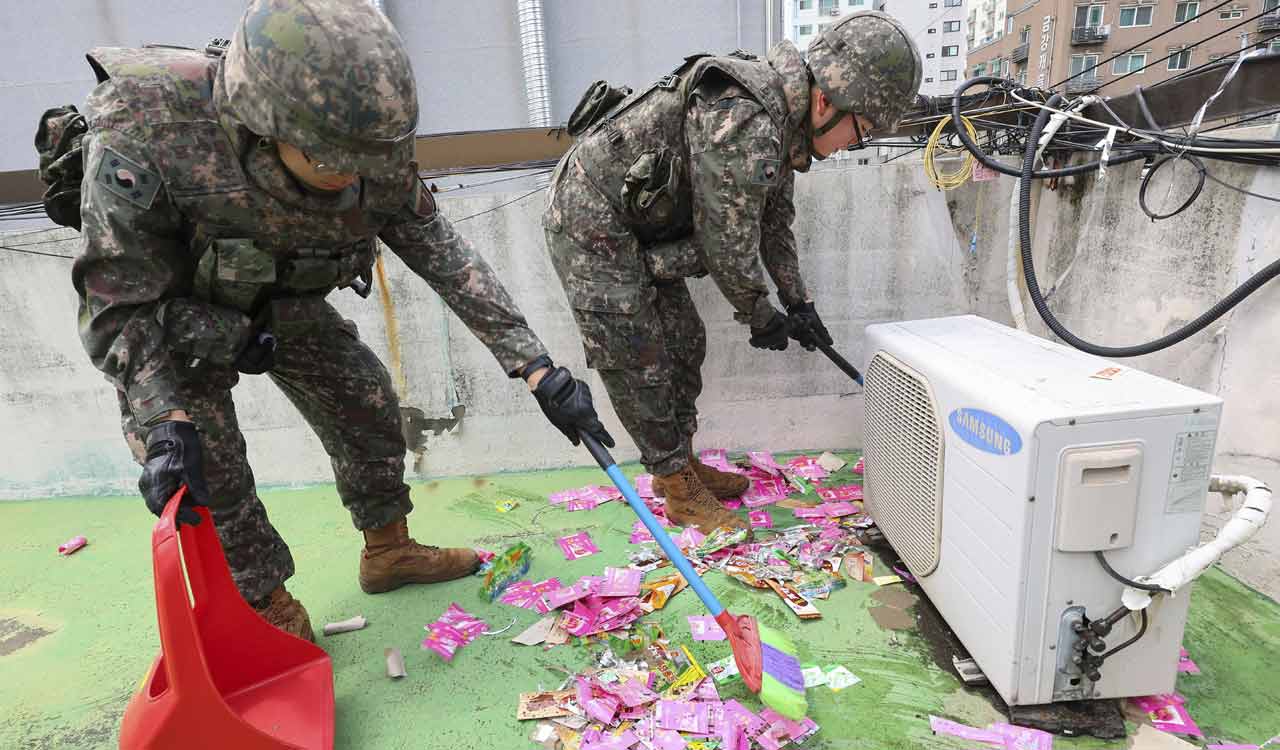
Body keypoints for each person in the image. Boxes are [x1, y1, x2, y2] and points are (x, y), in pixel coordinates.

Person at [71, 0, 612, 642]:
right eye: (331, 161)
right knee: (206, 463)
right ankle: (263, 604)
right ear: (264, 123)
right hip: (171, 318)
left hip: (280, 293)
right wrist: (163, 420)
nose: (351, 177)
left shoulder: (366, 144)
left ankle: (387, 550)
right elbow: (116, 302)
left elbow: (444, 256)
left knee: (365, 400)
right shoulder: (152, 124)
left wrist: (538, 368)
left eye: (363, 161)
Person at [542, 11, 921, 535]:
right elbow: (726, 243)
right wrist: (760, 314)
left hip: (645, 228)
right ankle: (677, 486)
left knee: (685, 341)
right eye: (862, 131)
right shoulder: (747, 119)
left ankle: (683, 464)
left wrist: (799, 303)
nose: (851, 147)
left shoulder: (782, 124)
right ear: (826, 101)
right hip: (592, 221)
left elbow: (773, 222)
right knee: (640, 355)